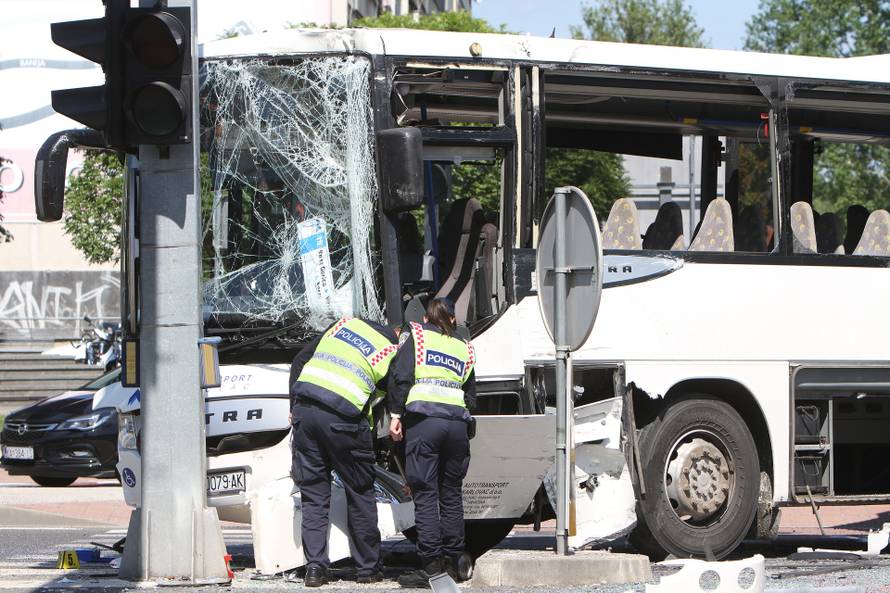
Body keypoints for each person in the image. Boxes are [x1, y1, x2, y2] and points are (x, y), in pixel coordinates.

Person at [289, 317, 400, 587]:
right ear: (396, 334)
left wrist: (293, 407)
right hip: (343, 420)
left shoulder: (343, 325)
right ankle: (368, 568)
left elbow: (298, 362)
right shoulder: (390, 349)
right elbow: (396, 393)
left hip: (305, 409)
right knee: (359, 490)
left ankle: (315, 568)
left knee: (314, 493)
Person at [388, 298, 476, 588]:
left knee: (425, 493)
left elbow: (401, 376)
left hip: (425, 422)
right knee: (450, 493)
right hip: (456, 425)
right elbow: (471, 394)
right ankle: (454, 562)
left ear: (426, 319)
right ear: (452, 320)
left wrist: (396, 414)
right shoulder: (464, 347)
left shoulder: (418, 337)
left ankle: (431, 567)